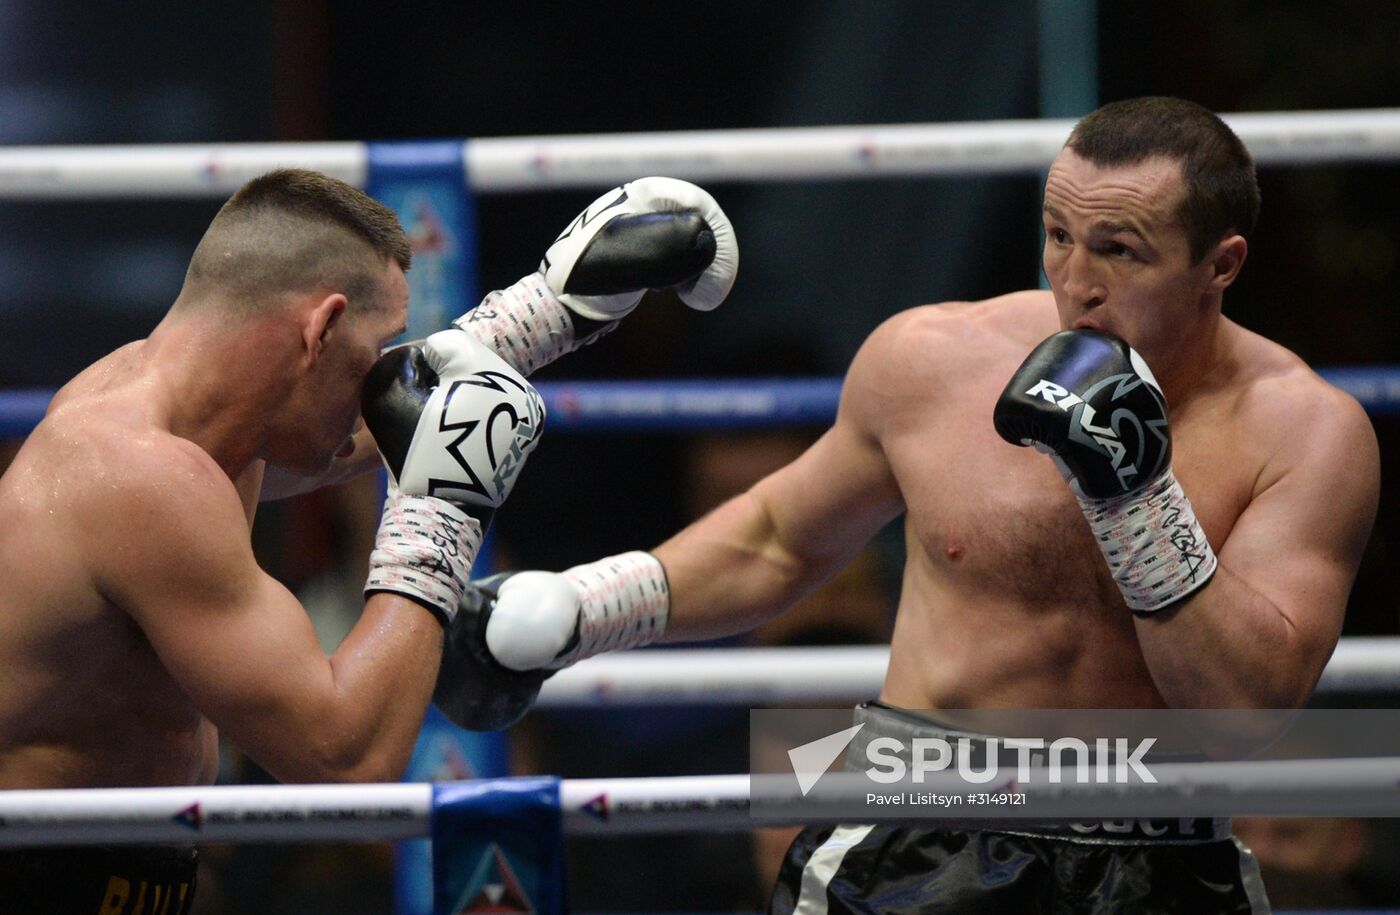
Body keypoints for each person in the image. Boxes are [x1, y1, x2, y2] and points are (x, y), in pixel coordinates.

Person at [470, 96, 1381, 912]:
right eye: (1058, 235)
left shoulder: (1306, 432)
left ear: (1220, 265)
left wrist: (1136, 496)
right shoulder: (934, 359)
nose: (1077, 280)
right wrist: (585, 608)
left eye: (1119, 250)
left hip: (1161, 846)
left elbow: (1245, 708)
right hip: (918, 828)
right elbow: (780, 539)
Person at [0, 169, 735, 913]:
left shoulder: (186, 412)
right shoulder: (144, 479)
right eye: (376, 348)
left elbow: (380, 410)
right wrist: (439, 513)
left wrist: (544, 314)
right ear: (320, 330)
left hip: (117, 871)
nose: (385, 377)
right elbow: (348, 760)